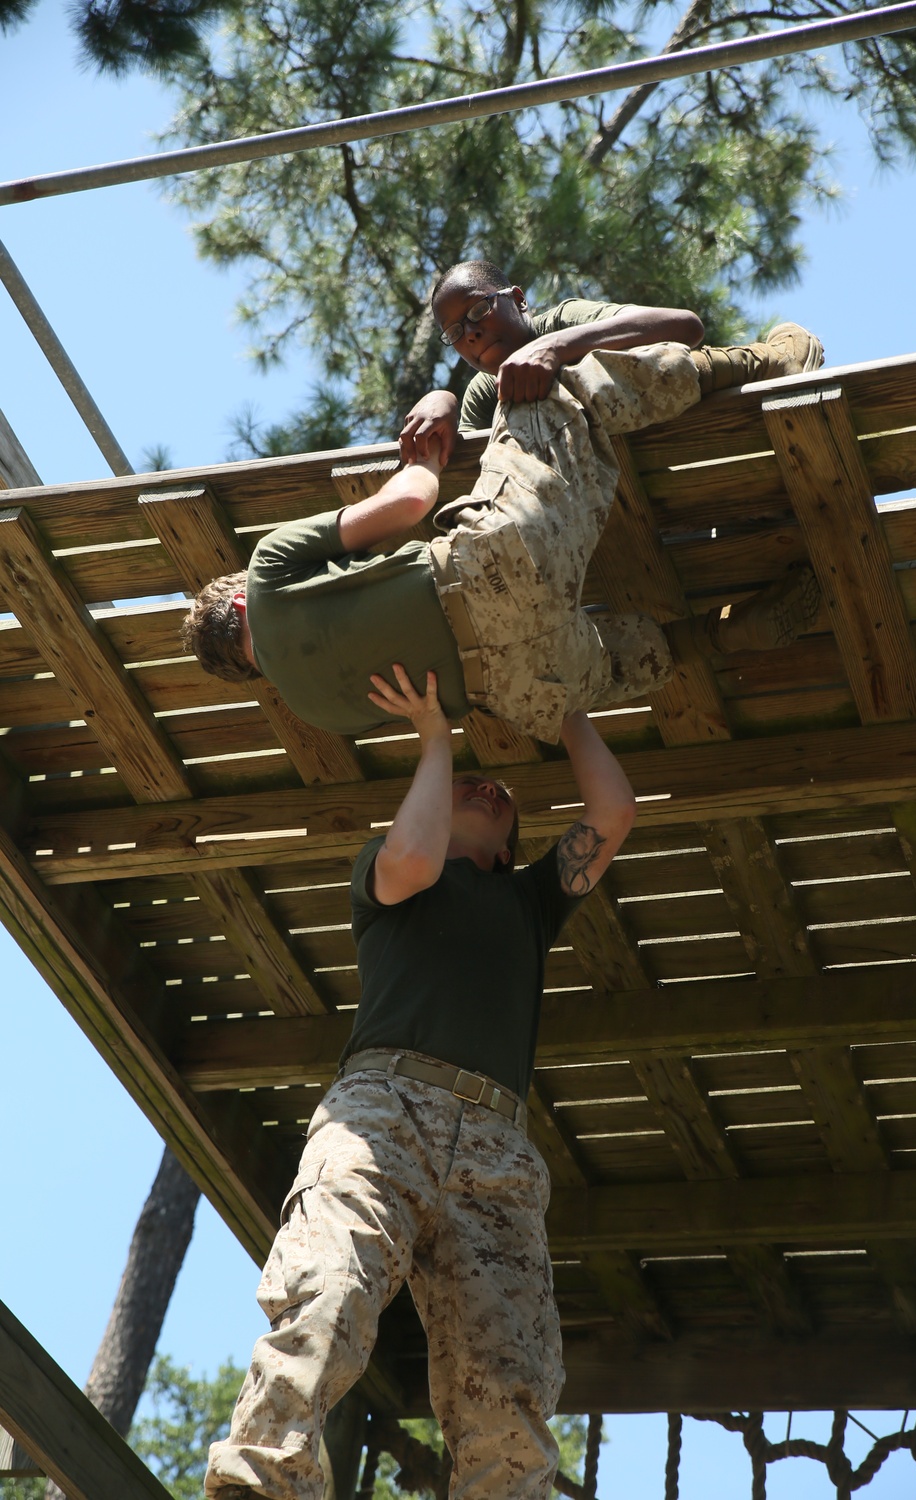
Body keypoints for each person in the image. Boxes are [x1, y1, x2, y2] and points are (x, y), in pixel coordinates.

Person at [205, 666, 638, 1500]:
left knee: (506, 1378)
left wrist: (566, 709)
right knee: (326, 1295)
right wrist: (434, 735)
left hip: (496, 1153)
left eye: (502, 794)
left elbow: (613, 814)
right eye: (469, 783)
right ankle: (261, 1485)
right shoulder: (393, 873)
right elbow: (411, 851)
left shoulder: (530, 903)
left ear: (511, 848)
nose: (489, 785)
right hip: (380, 1114)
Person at [182, 328, 822, 745]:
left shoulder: (322, 715)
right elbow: (407, 504)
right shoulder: (267, 572)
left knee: (609, 668)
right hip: (490, 568)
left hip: (517, 683)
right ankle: (762, 361)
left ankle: (729, 631)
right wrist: (426, 464)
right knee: (548, 388)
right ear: (238, 603)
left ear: (247, 671)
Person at [398, 257, 822, 463]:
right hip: (590, 502)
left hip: (672, 447)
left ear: (519, 300)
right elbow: (467, 472)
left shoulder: (561, 322)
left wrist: (558, 348)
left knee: (598, 371)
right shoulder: (483, 393)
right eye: (454, 333)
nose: (470, 332)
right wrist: (444, 402)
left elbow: (685, 327)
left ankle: (768, 360)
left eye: (478, 310)